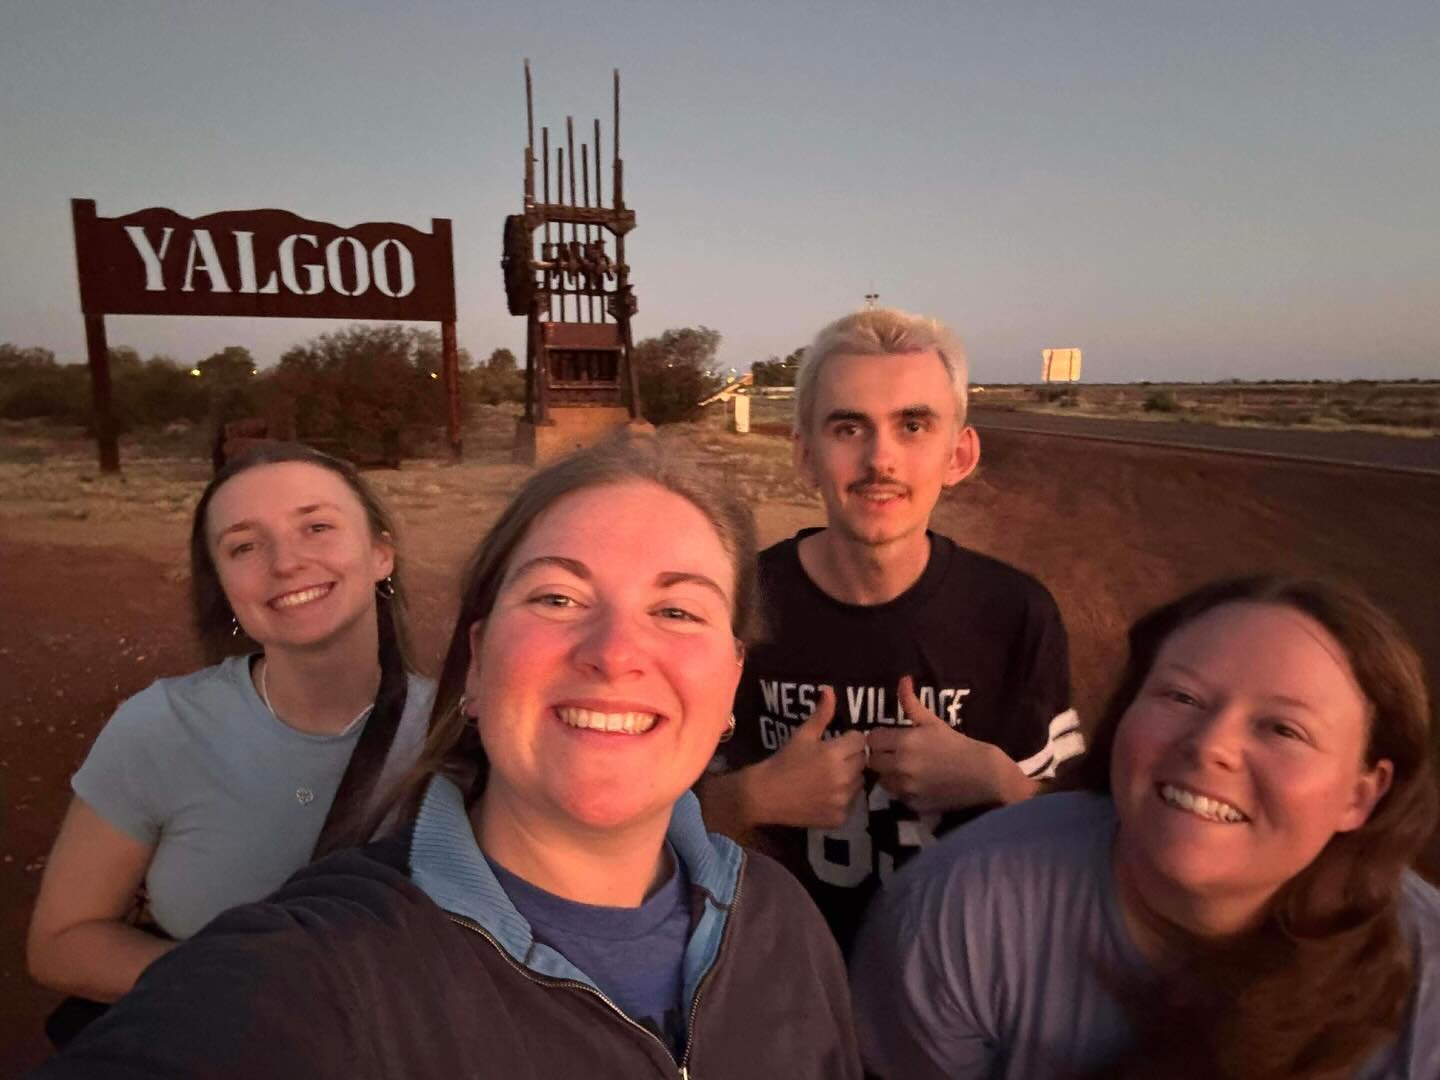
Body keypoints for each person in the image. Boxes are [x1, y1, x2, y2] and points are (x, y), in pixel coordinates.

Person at [30, 438, 861, 1079]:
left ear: (731, 685)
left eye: (678, 610)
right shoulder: (322, 975)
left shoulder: (780, 923)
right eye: (558, 597)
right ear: (478, 664)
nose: (615, 653)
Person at [851, 576, 1440, 1079]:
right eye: (1180, 696)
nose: (1212, 746)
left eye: (1283, 729)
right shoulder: (960, 909)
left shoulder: (1426, 977)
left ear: (1362, 795)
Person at [700, 307, 1082, 953]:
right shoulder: (737, 604)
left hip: (958, 979)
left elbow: (1079, 834)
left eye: (913, 425)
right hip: (775, 973)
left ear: (958, 453)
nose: (881, 458)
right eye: (849, 427)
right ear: (805, 454)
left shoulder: (1015, 611)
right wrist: (747, 799)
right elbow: (640, 815)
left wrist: (997, 781)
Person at [26, 442, 435, 1037]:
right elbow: (62, 942)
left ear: (380, 553)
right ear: (224, 586)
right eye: (244, 546)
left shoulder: (460, 734)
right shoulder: (162, 727)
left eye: (317, 526)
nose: (286, 562)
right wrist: (247, 985)